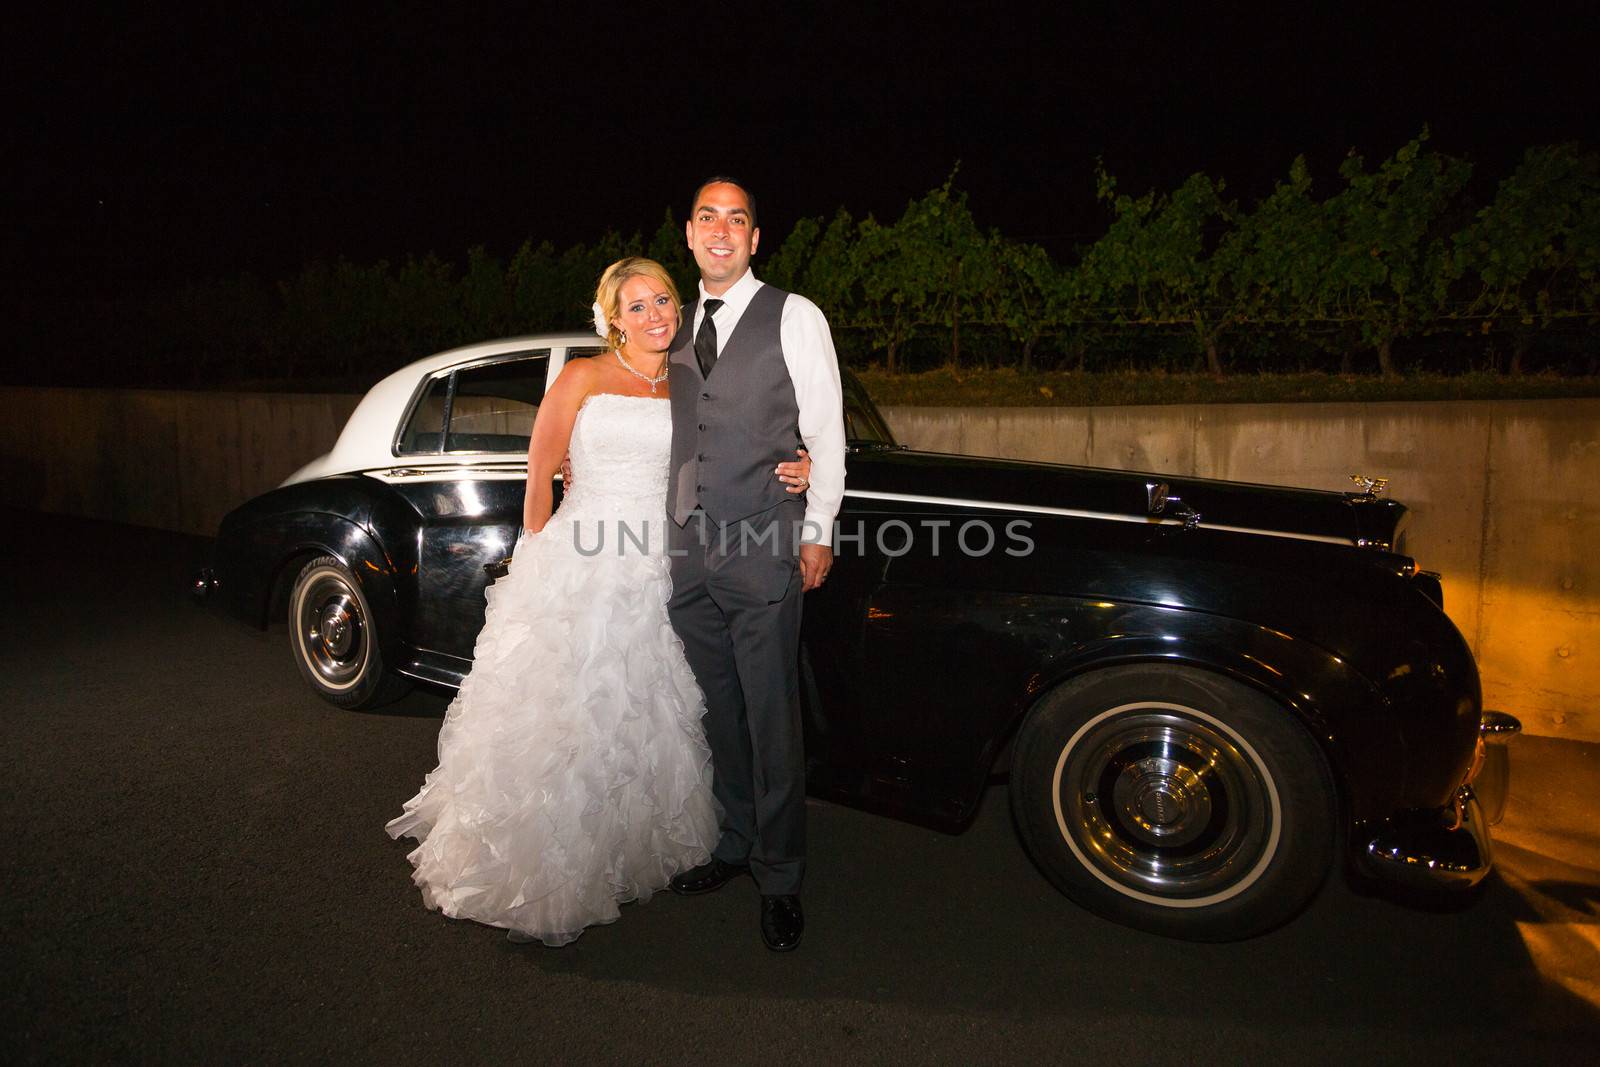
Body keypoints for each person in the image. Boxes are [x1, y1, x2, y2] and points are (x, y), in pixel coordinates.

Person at [386, 257, 812, 946]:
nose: (655, 315)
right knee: (572, 712)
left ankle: (646, 839)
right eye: (637, 306)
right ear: (612, 316)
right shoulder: (582, 375)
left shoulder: (690, 378)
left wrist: (806, 459)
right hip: (584, 556)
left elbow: (743, 436)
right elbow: (540, 473)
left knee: (651, 710)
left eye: (664, 300)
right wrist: (533, 561)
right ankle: (552, 859)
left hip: (669, 561)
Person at [664, 178, 848, 952]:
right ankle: (734, 841)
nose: (721, 229)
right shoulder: (667, 326)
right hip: (685, 553)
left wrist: (820, 528)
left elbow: (828, 430)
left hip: (764, 543)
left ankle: (780, 876)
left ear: (754, 238)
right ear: (689, 232)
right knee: (719, 714)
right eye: (708, 216)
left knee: (772, 716)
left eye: (736, 219)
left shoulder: (795, 315)